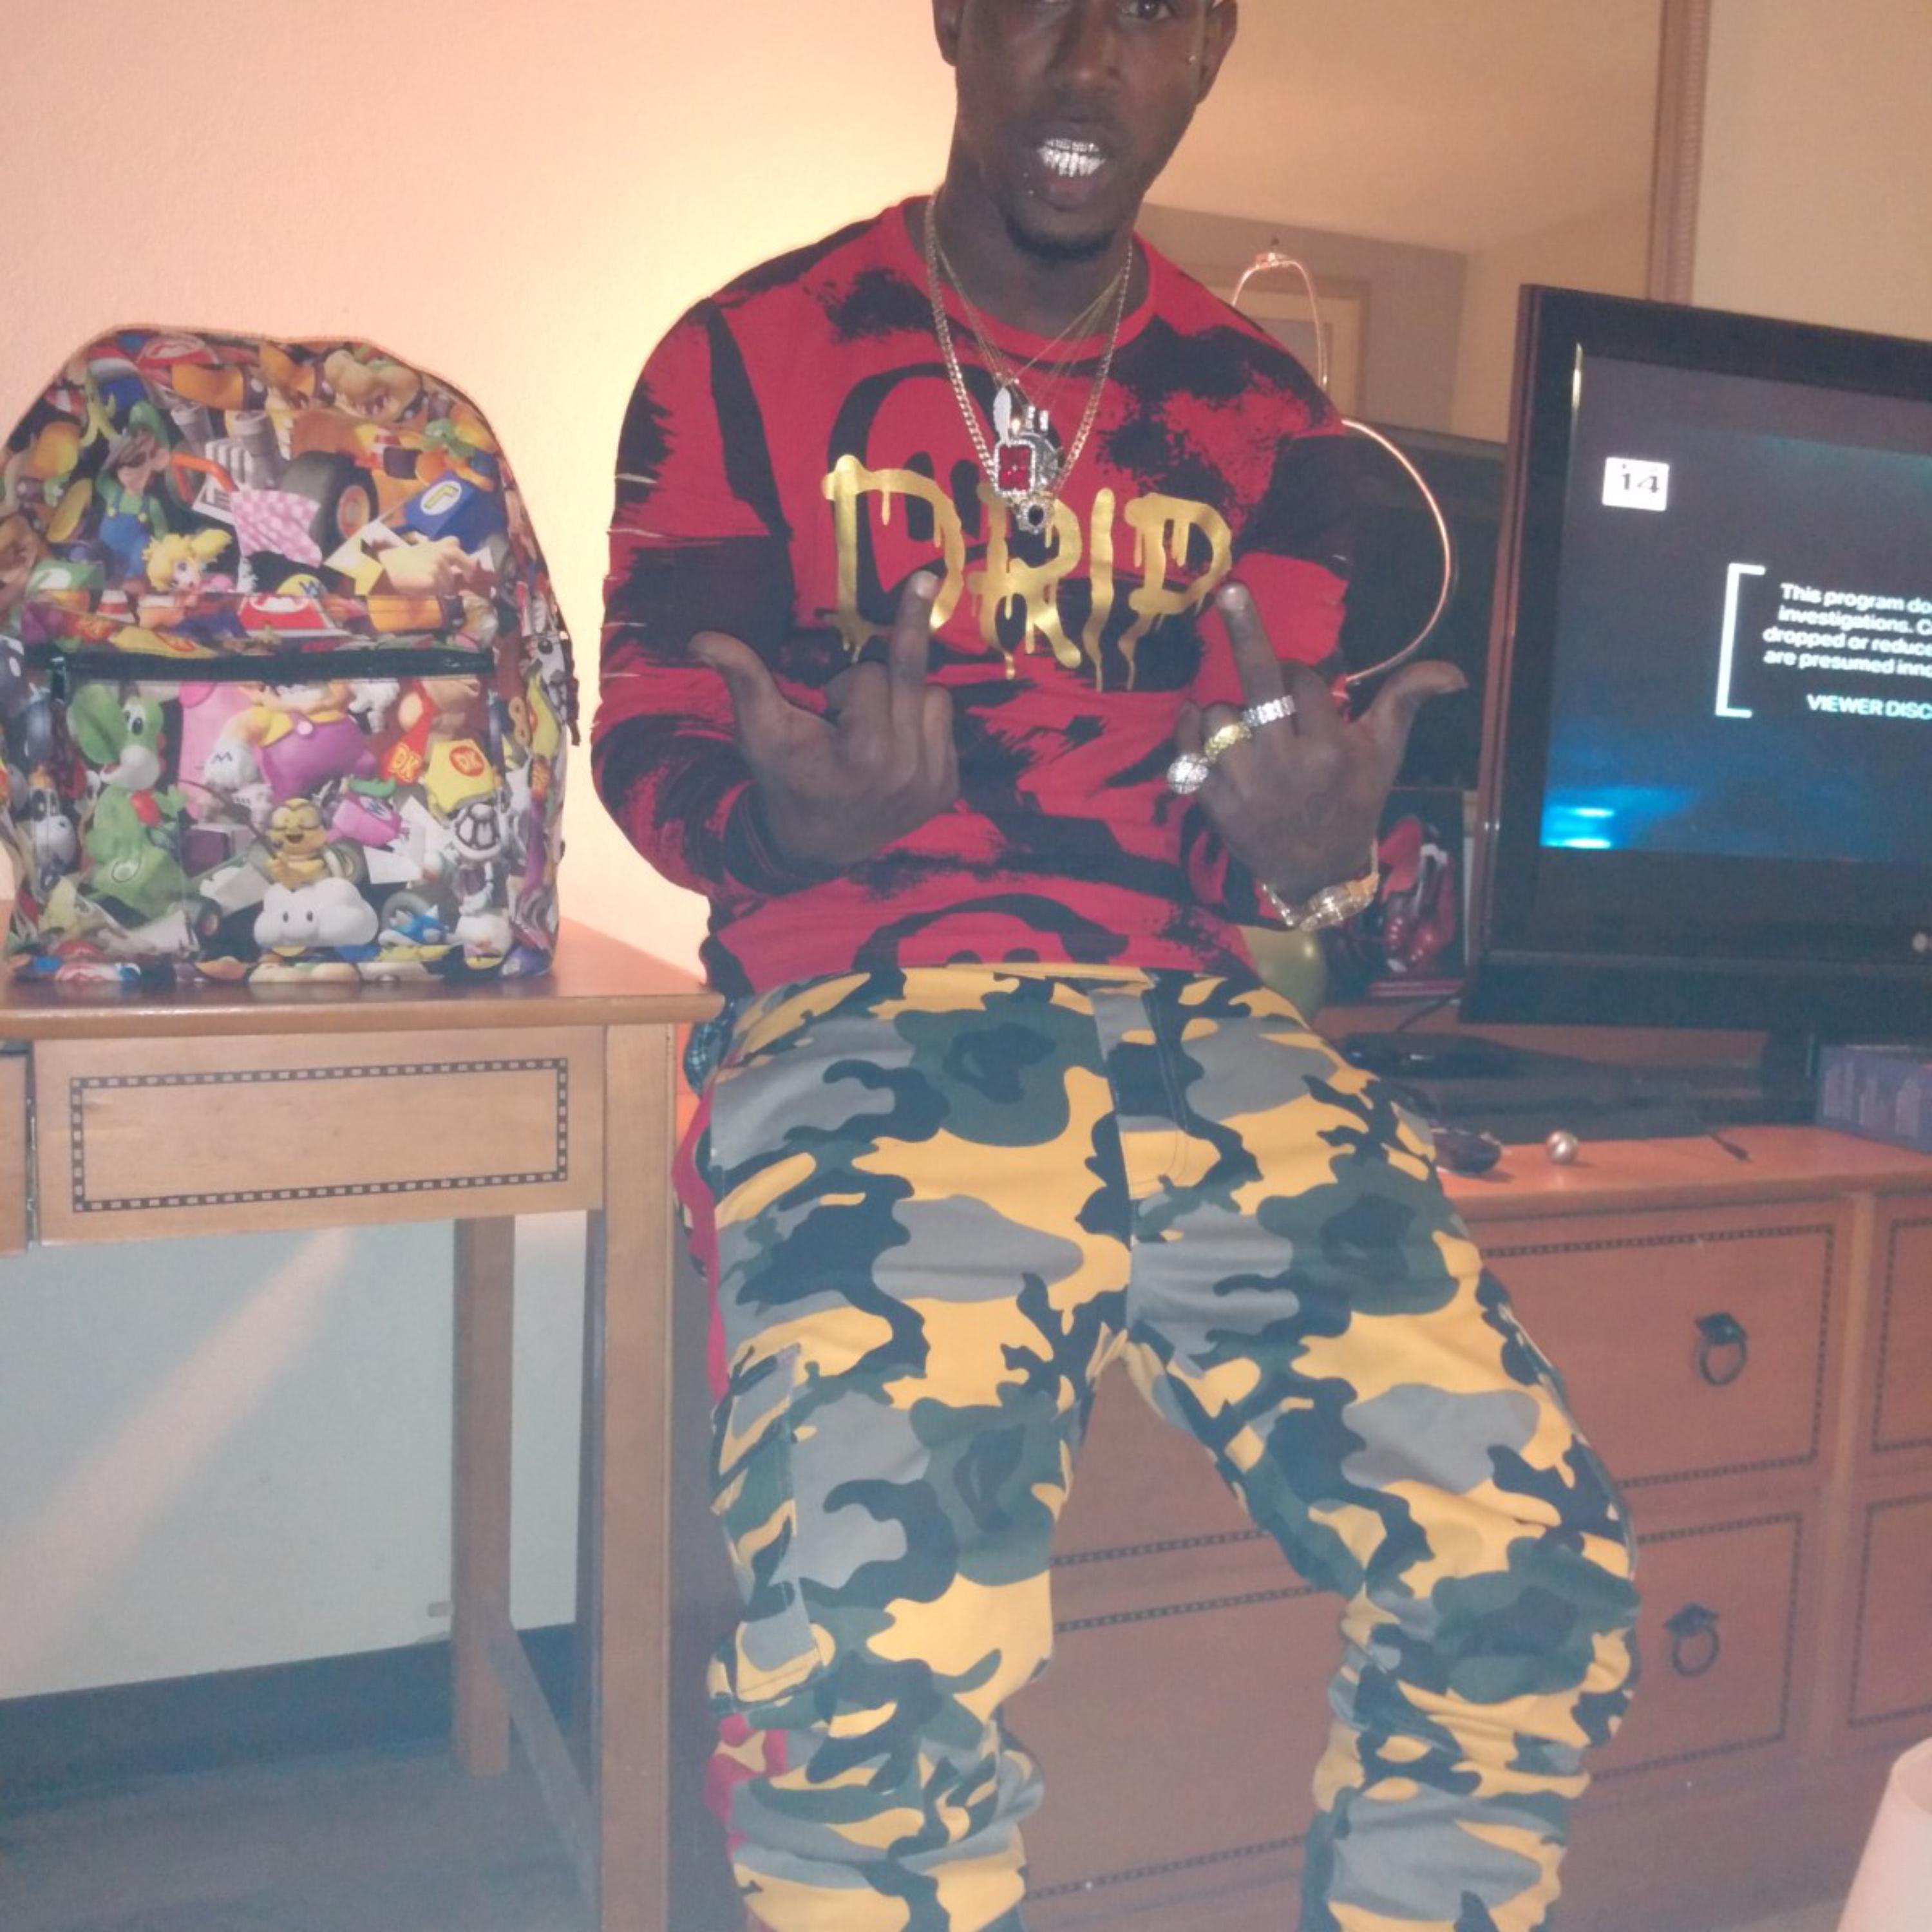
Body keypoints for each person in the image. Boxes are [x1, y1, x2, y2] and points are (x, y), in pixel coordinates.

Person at [594, 3, 1641, 1927]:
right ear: (955, 18)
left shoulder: (1275, 422)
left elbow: (1267, 839)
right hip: (865, 1008)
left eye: (1151, 9)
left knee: (1533, 1564)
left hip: (1203, 1026)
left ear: (1212, 45)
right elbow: (654, 739)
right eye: (1043, 1)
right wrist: (798, 826)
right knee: (876, 1650)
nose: (1089, 62)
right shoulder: (744, 354)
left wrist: (1321, 866)